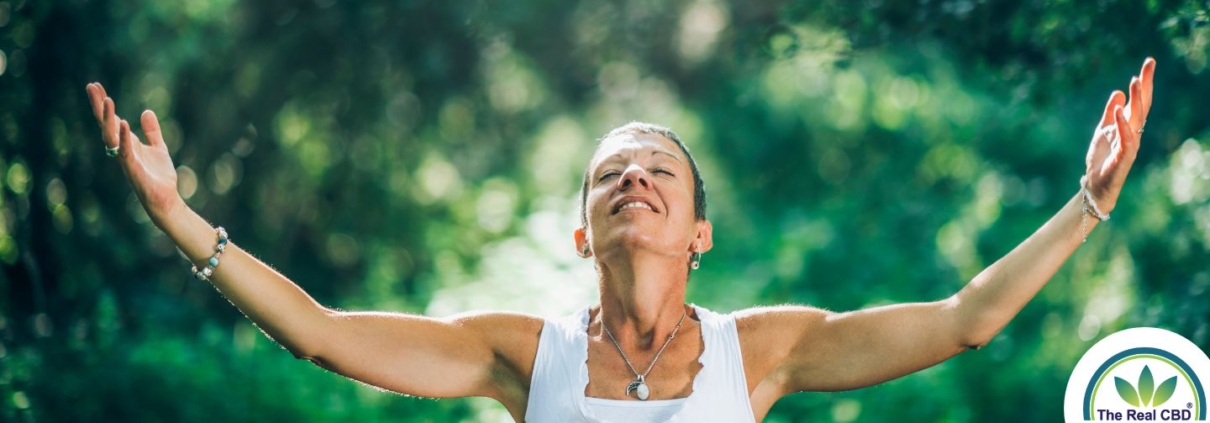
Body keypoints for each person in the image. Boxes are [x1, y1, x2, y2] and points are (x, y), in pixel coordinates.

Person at [83, 57, 1156, 422]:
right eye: (609, 173)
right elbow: (319, 333)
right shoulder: (518, 352)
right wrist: (180, 220)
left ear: (699, 232)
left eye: (657, 171)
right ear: (582, 224)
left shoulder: (764, 351)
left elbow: (967, 322)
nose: (632, 179)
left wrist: (1089, 201)